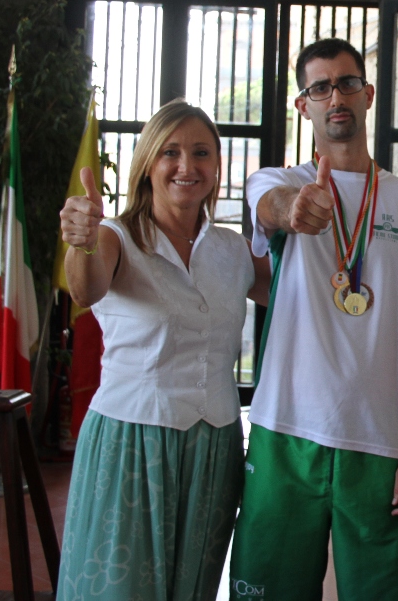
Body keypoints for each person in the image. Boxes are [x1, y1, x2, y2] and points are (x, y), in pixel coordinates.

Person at [228, 38, 398, 600]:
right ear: (304, 105)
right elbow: (270, 207)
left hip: (382, 440)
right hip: (285, 434)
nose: (336, 96)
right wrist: (293, 209)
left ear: (368, 94)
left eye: (347, 82)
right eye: (319, 87)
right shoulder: (278, 182)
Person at [56, 99, 269, 599]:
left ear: (216, 168)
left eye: (201, 153)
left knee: (191, 586)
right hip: (132, 441)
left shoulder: (233, 249)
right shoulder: (116, 237)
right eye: (170, 152)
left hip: (214, 447)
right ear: (148, 164)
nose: (186, 166)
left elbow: (297, 294)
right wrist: (80, 241)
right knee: (121, 587)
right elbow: (85, 289)